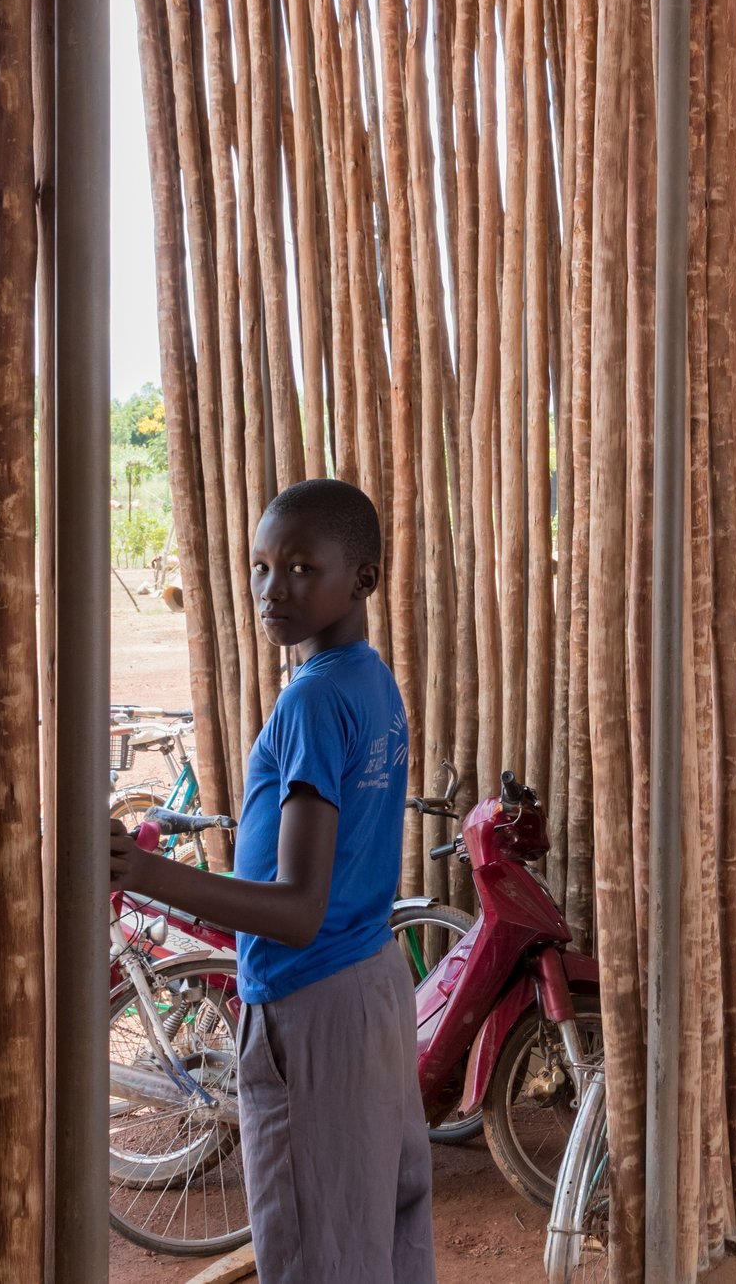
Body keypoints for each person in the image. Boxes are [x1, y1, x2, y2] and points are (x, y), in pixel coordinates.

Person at [109, 479, 433, 1284]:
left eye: (297, 567)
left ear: (361, 578)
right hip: (373, 989)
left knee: (319, 1252)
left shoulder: (314, 701)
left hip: (311, 1001)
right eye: (259, 567)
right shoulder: (368, 680)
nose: (270, 589)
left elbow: (295, 911)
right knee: (378, 1236)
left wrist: (146, 872)